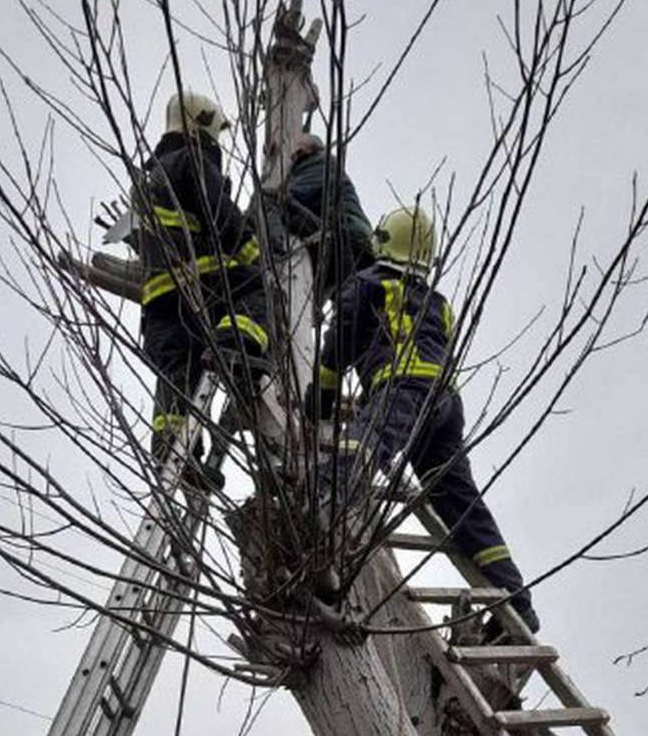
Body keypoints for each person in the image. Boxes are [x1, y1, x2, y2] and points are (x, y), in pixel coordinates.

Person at [308, 206, 540, 633]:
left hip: (402, 391)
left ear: (381, 241)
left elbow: (334, 355)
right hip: (445, 404)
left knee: (359, 449)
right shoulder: (438, 302)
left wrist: (318, 407)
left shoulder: (364, 285)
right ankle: (516, 602)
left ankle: (319, 512)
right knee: (459, 501)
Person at [133, 91, 268, 478]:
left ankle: (177, 454)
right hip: (201, 284)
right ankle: (237, 344)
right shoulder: (193, 160)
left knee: (178, 375)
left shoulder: (151, 176)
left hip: (158, 301)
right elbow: (218, 213)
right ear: (201, 125)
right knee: (258, 292)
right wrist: (250, 249)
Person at [282, 134, 374, 297]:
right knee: (347, 302)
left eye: (297, 150)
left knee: (280, 208)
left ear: (308, 150)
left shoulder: (318, 164)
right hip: (355, 241)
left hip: (346, 238)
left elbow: (290, 196)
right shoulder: (324, 165)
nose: (292, 156)